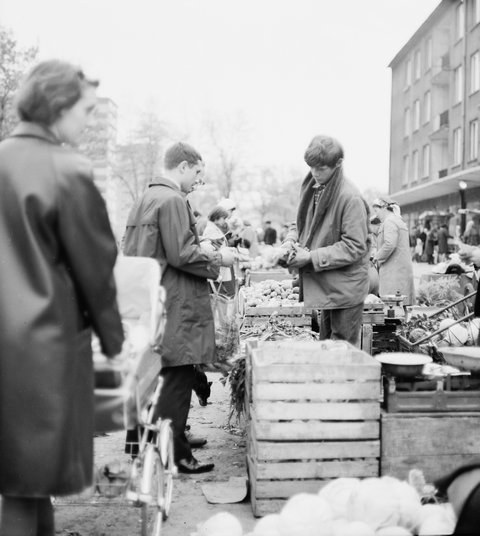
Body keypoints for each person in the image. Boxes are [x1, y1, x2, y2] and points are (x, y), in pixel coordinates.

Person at [0, 60, 124, 536]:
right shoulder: (66, 168)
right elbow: (96, 267)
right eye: (85, 110)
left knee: (20, 480)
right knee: (29, 478)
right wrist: (115, 341)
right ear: (59, 105)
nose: (88, 121)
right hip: (43, 348)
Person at [123, 142, 235, 474]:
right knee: (178, 374)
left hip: (152, 296)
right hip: (176, 299)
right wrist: (219, 257)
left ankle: (143, 440)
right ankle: (176, 454)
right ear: (183, 166)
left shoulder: (146, 198)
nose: (199, 180)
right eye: (198, 172)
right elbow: (182, 254)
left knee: (155, 373)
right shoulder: (172, 200)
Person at [282, 134, 370, 347]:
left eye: (321, 169)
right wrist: (290, 240)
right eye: (311, 168)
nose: (315, 173)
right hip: (329, 284)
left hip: (346, 289)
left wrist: (310, 257)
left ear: (338, 164)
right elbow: (301, 223)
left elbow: (355, 246)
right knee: (327, 347)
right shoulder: (316, 188)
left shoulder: (350, 198)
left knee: (340, 352)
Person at [371, 198, 415, 307]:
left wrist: (376, 257)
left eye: (376, 211)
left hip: (393, 273)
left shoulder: (389, 221)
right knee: (401, 308)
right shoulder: (397, 220)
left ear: (384, 208)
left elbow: (390, 244)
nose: (376, 215)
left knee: (393, 309)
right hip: (400, 271)